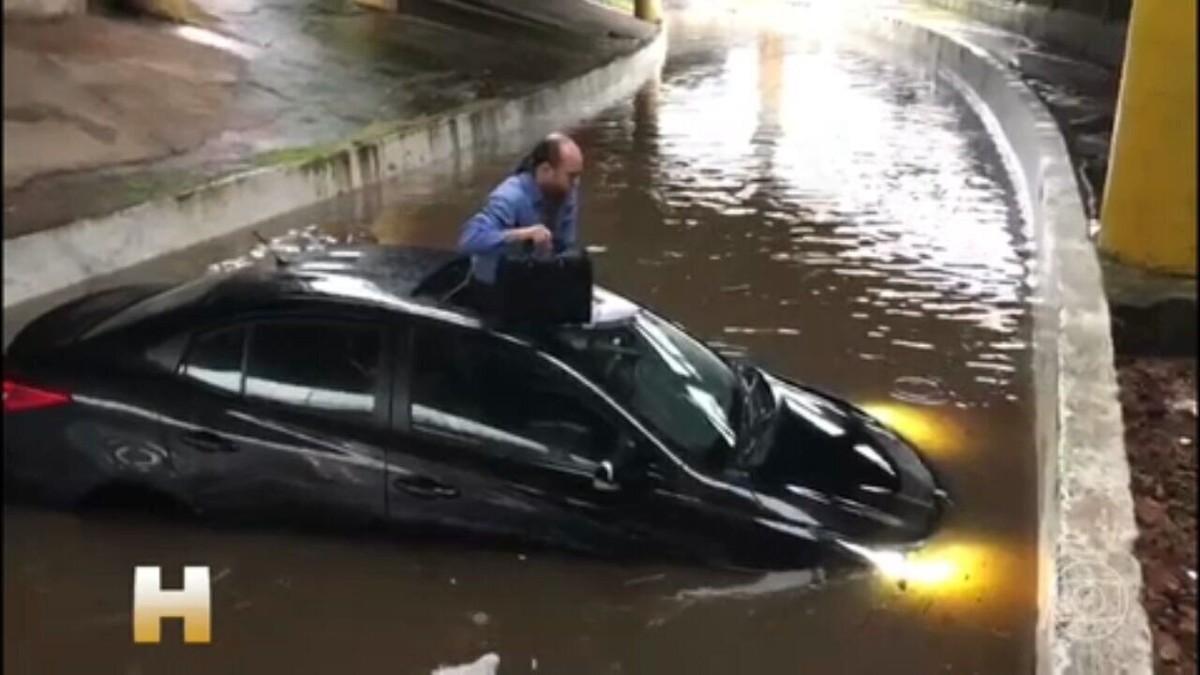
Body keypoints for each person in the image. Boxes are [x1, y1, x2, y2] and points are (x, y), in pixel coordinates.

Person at [457, 133, 584, 307]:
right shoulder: (510, 197)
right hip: (496, 288)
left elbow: (565, 245)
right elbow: (469, 239)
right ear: (546, 170)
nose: (576, 183)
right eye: (571, 176)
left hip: (536, 280)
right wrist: (521, 235)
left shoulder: (566, 193)